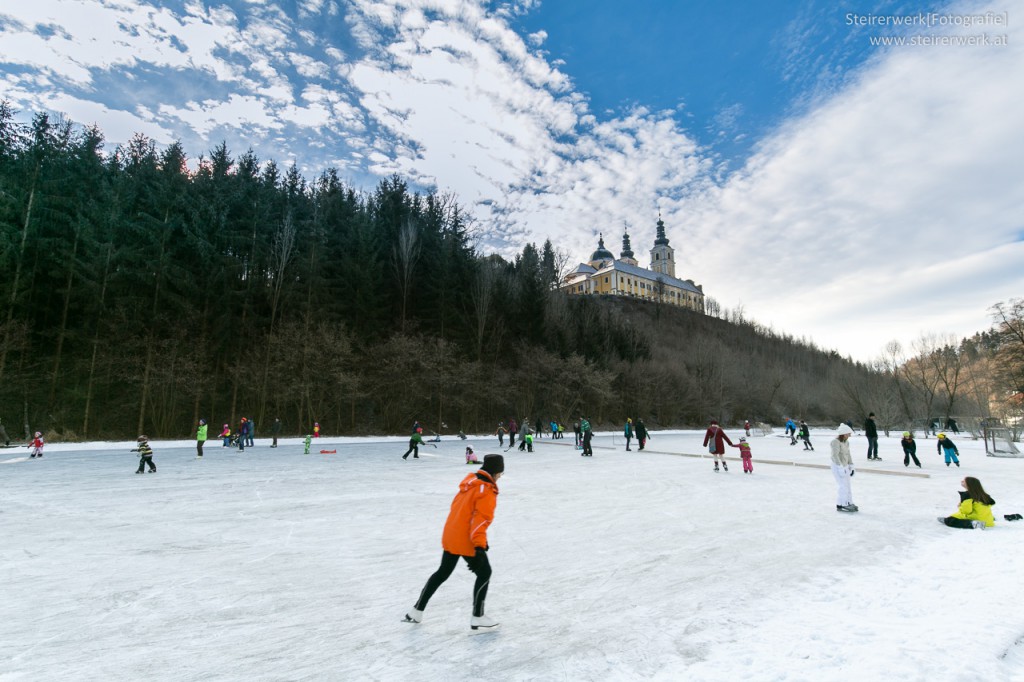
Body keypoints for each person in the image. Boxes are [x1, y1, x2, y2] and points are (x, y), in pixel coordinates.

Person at [403, 454, 504, 631]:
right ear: (495, 472)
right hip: (466, 539)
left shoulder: (470, 483)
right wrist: (479, 546)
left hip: (451, 534)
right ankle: (478, 616)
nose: (500, 477)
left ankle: (416, 611)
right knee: (485, 572)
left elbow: (464, 513)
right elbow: (480, 521)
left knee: (442, 573)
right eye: (500, 473)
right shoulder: (486, 490)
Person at [831, 424, 857, 512]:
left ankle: (849, 502)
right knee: (842, 486)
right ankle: (842, 504)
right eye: (848, 434)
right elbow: (835, 455)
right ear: (844, 433)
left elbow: (848, 454)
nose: (850, 435)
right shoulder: (835, 442)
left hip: (845, 465)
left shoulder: (846, 442)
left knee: (848, 485)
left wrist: (851, 465)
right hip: (837, 465)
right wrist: (840, 467)